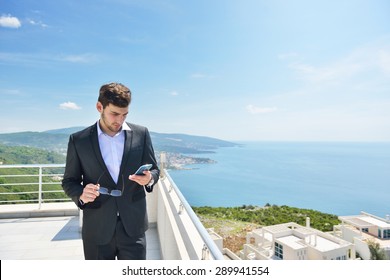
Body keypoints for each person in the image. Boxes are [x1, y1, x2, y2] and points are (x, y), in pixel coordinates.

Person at [62, 82, 160, 260]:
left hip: (133, 227)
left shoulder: (141, 133)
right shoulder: (79, 140)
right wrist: (81, 195)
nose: (120, 120)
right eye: (114, 114)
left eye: (125, 115)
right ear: (99, 107)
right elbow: (69, 181)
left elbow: (154, 169)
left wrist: (149, 179)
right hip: (97, 228)